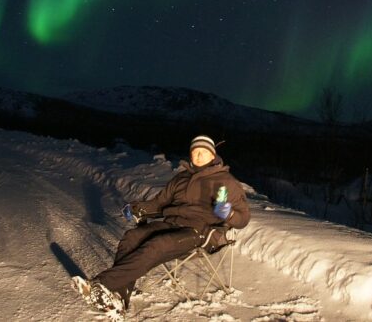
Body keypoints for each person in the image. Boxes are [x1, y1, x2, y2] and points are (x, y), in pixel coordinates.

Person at [72, 135, 250, 317]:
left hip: (199, 232)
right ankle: (119, 297)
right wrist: (136, 208)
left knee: (157, 244)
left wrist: (228, 213)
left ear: (213, 155)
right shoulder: (181, 178)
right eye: (195, 152)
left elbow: (243, 218)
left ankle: (102, 284)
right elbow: (159, 204)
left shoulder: (225, 181)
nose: (198, 156)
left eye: (203, 152)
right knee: (131, 237)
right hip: (171, 223)